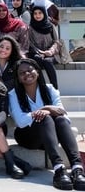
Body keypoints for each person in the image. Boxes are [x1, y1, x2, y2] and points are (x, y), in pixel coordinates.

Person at [8, 58, 85, 191]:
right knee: (46, 118)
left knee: (60, 120)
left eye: (30, 70)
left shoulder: (50, 90)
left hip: (50, 136)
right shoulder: (13, 94)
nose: (27, 73)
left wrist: (46, 110)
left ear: (37, 71)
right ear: (19, 78)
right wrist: (46, 110)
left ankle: (77, 168)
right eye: (22, 73)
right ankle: (59, 170)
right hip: (28, 137)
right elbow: (20, 121)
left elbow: (63, 114)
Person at [27, 6, 60, 89]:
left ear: (44, 14)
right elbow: (30, 43)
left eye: (40, 13)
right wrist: (40, 52)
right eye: (35, 13)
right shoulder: (30, 27)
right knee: (37, 59)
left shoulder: (51, 26)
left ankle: (55, 88)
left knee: (47, 61)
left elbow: (56, 41)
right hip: (37, 53)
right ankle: (42, 88)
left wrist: (50, 51)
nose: (37, 15)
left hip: (51, 53)